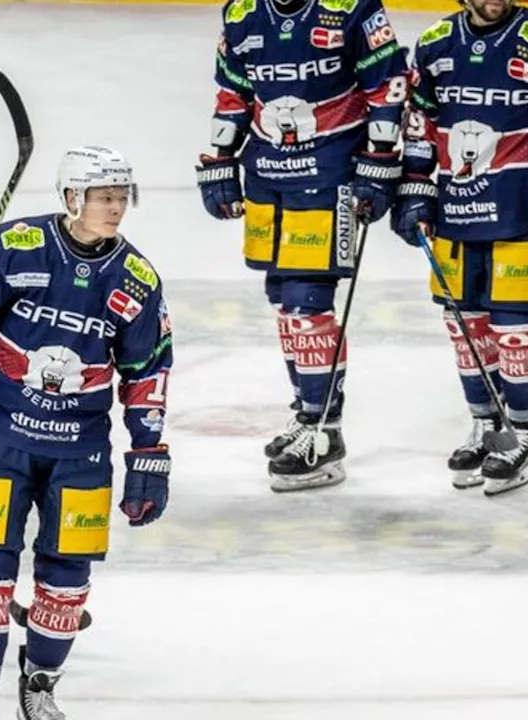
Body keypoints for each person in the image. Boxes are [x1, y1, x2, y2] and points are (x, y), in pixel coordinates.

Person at [0, 147, 173, 720]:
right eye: (102, 197)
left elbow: (147, 372)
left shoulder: (136, 279)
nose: (114, 208)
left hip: (80, 454)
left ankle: (40, 684)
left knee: (66, 578)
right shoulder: (12, 249)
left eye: (119, 197)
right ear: (70, 199)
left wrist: (149, 453)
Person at [194, 0, 408, 491]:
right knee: (283, 303)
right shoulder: (242, 14)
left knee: (307, 303)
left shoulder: (352, 8)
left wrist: (379, 161)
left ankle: (325, 432)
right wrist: (219, 159)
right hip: (267, 176)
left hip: (332, 173)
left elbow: (389, 85)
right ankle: (308, 414)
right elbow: (234, 92)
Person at [393, 0, 528, 494]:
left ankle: (523, 432)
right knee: (466, 328)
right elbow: (419, 122)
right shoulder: (437, 42)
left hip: (523, 212)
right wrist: (415, 185)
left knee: (516, 328)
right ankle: (487, 424)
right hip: (456, 211)